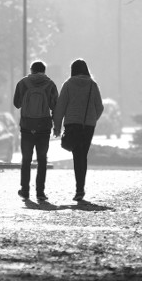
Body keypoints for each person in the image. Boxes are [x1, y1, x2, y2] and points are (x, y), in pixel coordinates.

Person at [53, 58, 104, 202]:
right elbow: (99, 107)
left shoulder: (68, 85)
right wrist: (92, 119)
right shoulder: (93, 86)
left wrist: (57, 127)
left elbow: (60, 107)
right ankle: (81, 188)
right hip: (88, 126)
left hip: (72, 124)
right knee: (83, 155)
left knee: (77, 156)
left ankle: (79, 189)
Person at [13, 60, 58, 202]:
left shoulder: (23, 83)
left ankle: (25, 191)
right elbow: (55, 105)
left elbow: (16, 104)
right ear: (44, 71)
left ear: (31, 70)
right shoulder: (50, 84)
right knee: (42, 160)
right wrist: (56, 125)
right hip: (43, 127)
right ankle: (40, 192)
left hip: (27, 125)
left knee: (26, 159)